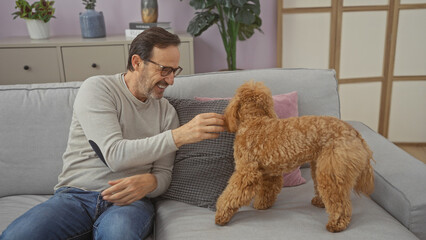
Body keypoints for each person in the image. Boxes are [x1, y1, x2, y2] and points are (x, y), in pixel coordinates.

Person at [0, 27, 225, 240]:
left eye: (174, 71)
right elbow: (114, 156)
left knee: (119, 234)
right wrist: (180, 136)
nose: (171, 80)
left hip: (130, 202)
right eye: (164, 70)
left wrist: (152, 181)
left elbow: (164, 175)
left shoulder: (166, 113)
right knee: (16, 236)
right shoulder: (98, 89)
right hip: (76, 196)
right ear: (137, 62)